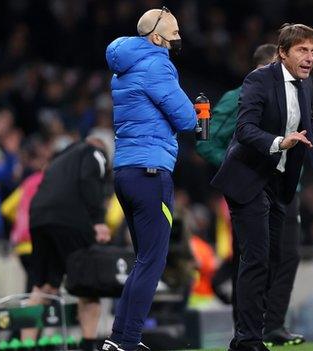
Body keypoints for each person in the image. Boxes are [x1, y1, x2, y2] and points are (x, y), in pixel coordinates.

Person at [211, 23, 313, 351]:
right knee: (255, 259)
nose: (309, 58)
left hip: (279, 183)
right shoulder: (258, 80)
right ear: (282, 53)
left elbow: (310, 129)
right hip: (249, 179)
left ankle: (259, 331)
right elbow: (245, 128)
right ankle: (247, 340)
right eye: (302, 51)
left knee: (276, 259)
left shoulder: (306, 85)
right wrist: (280, 142)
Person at [101, 7, 197, 351]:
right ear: (157, 38)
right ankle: (126, 340)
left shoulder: (122, 69)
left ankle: (120, 339)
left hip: (126, 172)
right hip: (151, 172)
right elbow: (187, 119)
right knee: (153, 262)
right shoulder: (157, 64)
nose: (173, 46)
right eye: (171, 39)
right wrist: (201, 114)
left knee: (144, 260)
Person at [196, 43, 305, 346]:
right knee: (250, 257)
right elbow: (205, 142)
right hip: (251, 186)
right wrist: (239, 167)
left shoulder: (292, 93)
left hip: (284, 186)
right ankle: (245, 331)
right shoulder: (237, 97)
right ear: (268, 65)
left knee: (287, 256)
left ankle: (272, 325)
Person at [25, 133, 113, 351]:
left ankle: (25, 345)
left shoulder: (59, 160)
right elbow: (88, 180)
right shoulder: (95, 152)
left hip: (38, 218)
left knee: (43, 287)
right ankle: (89, 345)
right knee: (89, 287)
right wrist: (98, 220)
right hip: (69, 219)